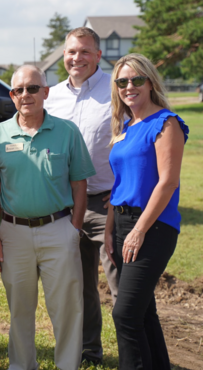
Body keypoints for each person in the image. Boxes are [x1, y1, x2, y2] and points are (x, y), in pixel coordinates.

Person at [0, 65, 96, 370]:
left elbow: (80, 183)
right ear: (11, 96)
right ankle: (21, 366)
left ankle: (68, 366)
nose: (26, 95)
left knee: (66, 308)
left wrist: (74, 228)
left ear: (46, 92)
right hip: (13, 232)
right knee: (20, 308)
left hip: (58, 228)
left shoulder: (67, 131)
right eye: (19, 90)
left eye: (32, 88)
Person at [106, 53, 189, 370]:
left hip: (153, 227)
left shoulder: (166, 124)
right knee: (142, 311)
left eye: (136, 79)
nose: (129, 86)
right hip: (123, 224)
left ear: (151, 82)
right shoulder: (126, 126)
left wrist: (138, 230)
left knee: (125, 313)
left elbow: (167, 183)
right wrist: (111, 231)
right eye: (122, 81)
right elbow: (120, 183)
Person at [44, 26, 117, 365]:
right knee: (79, 285)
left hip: (108, 203)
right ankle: (89, 350)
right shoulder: (52, 96)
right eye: (72, 51)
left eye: (85, 51)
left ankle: (139, 351)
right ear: (64, 55)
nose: (77, 58)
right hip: (66, 205)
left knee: (123, 284)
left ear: (98, 55)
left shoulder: (117, 90)